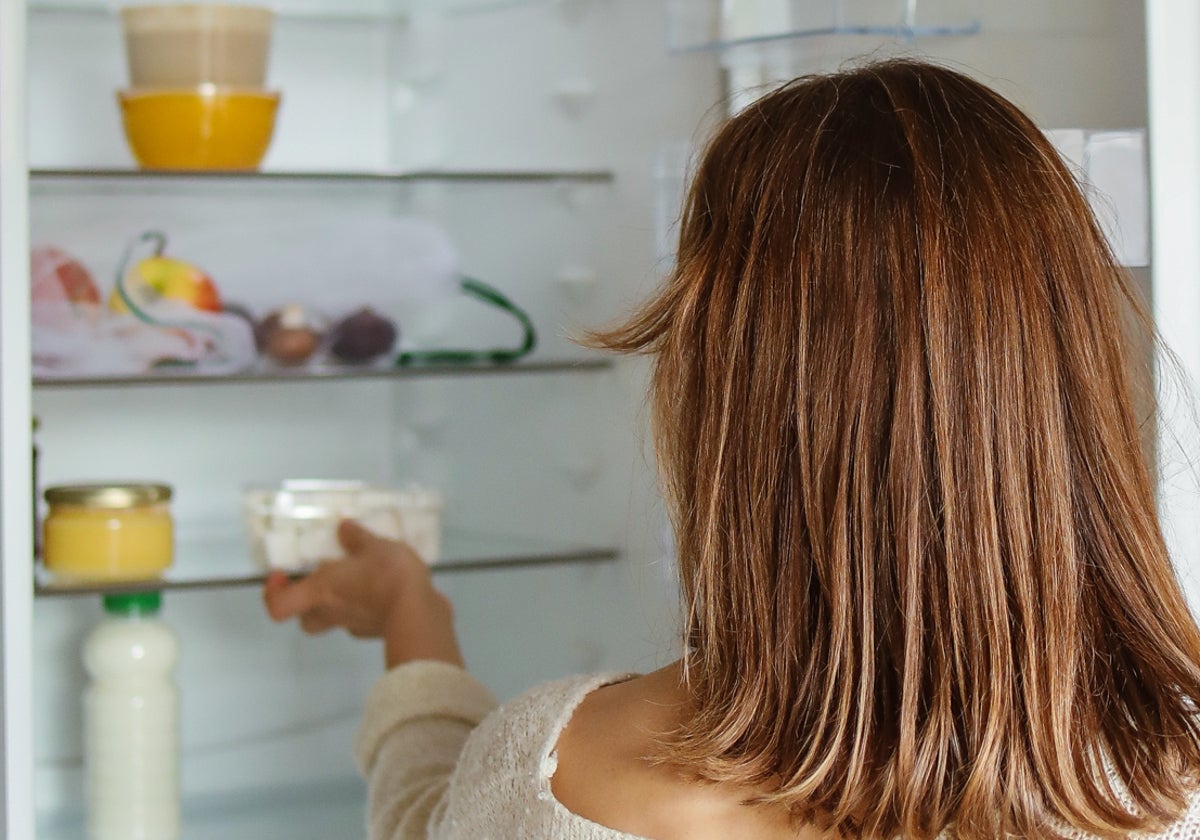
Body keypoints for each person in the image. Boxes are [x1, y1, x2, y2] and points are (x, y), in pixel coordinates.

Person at [263, 58, 1200, 839]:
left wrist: (407, 610)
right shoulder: (1165, 789)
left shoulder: (561, 775)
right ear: (1070, 376)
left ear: (724, 398)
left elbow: (433, 814)